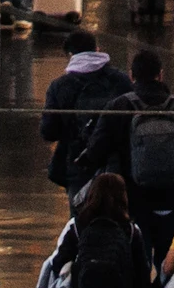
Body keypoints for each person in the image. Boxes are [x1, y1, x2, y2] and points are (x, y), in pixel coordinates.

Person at [96, 50, 174, 262]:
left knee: (137, 263)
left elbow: (96, 150)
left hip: (131, 199)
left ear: (131, 76)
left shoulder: (120, 106)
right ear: (161, 75)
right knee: (172, 266)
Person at [42, 31, 134, 190]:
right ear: (97, 49)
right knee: (117, 211)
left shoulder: (60, 86)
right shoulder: (121, 80)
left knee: (80, 212)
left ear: (70, 55)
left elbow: (49, 132)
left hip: (77, 164)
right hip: (117, 165)